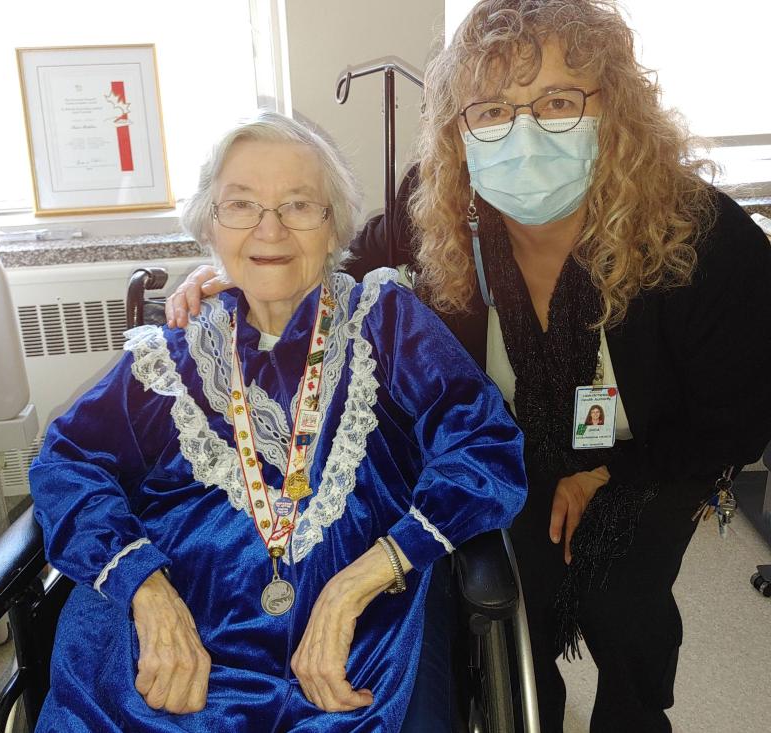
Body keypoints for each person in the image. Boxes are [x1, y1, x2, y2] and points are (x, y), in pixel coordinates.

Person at [166, 2, 771, 732]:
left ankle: (636, 712)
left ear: (613, 107)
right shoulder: (441, 206)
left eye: (556, 101)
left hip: (654, 451)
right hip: (511, 444)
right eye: (489, 110)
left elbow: (737, 415)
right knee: (509, 595)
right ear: (459, 129)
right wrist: (256, 272)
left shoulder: (705, 240)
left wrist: (613, 471)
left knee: (626, 597)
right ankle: (535, 705)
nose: (522, 133)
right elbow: (353, 270)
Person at [29, 112, 527, 733]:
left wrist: (368, 577)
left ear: (334, 225)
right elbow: (67, 462)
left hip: (359, 638)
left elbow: (485, 446)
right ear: (211, 223)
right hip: (176, 644)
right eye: (241, 205)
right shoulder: (170, 352)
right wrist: (145, 591)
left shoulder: (385, 323)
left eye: (298, 205)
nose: (270, 228)